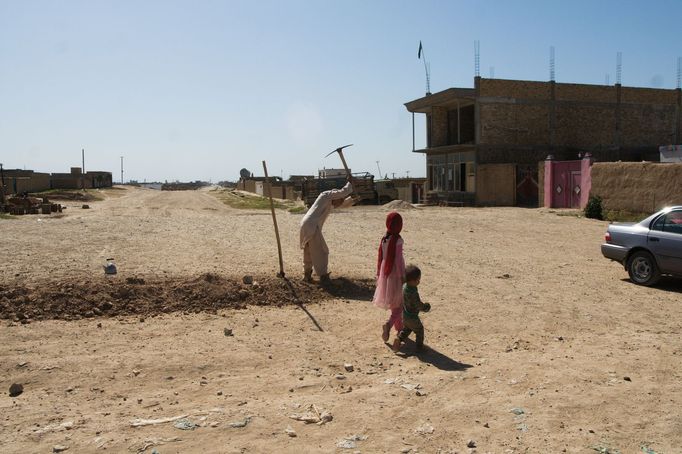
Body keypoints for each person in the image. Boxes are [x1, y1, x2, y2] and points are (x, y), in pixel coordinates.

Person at [299, 179, 354, 284]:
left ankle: (306, 276)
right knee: (322, 251)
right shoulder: (326, 195)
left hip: (305, 225)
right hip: (312, 226)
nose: (339, 204)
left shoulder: (327, 204)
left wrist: (353, 199)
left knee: (309, 252)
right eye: (340, 200)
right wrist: (350, 183)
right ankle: (323, 277)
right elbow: (342, 192)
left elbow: (342, 204)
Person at [372, 211, 406, 342]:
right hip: (395, 274)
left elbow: (381, 257)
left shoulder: (384, 239)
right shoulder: (398, 240)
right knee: (399, 304)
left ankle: (400, 328)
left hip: (385, 273)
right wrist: (402, 276)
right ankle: (389, 325)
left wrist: (379, 274)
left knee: (394, 304)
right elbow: (398, 260)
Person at [392, 264, 431, 352]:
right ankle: (419, 347)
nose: (419, 281)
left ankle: (399, 339)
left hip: (405, 314)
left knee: (407, 329)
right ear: (413, 281)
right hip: (412, 317)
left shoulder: (404, 287)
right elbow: (417, 304)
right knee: (419, 330)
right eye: (418, 279)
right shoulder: (413, 292)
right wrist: (425, 307)